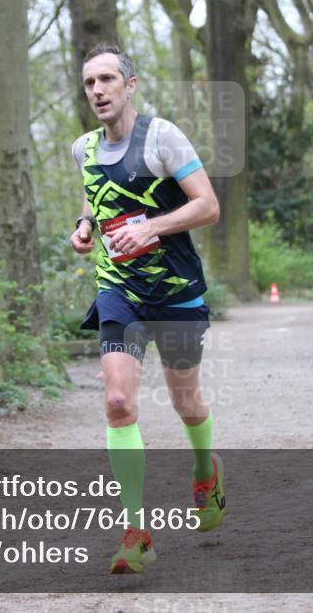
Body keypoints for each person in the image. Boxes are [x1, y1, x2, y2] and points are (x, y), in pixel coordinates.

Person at [68, 43, 226, 574]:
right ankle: (136, 532)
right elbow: (96, 193)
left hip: (177, 292)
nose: (98, 91)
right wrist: (86, 226)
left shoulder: (161, 137)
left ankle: (205, 470)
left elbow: (208, 206)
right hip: (119, 290)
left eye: (107, 79)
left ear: (129, 85)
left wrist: (152, 226)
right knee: (117, 401)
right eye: (90, 83)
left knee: (187, 404)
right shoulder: (82, 149)